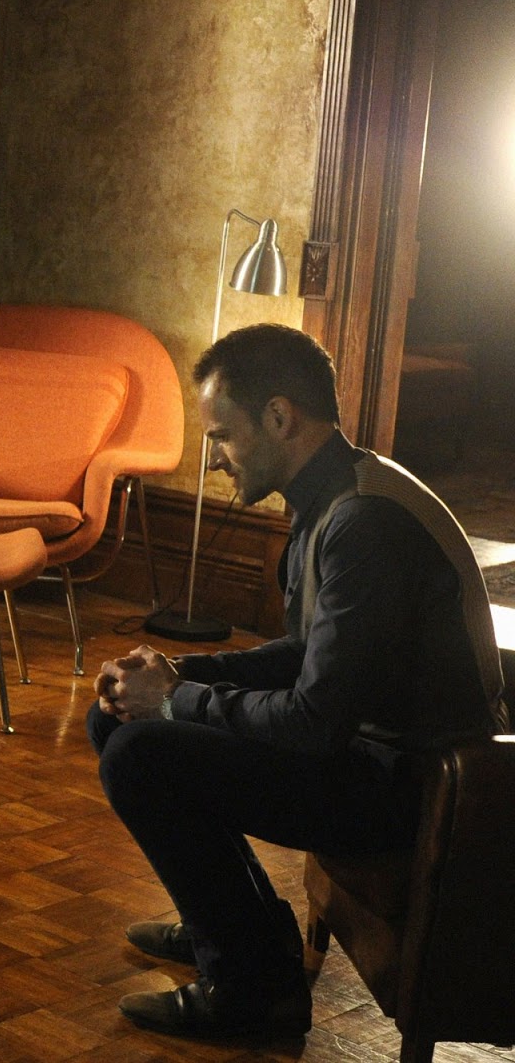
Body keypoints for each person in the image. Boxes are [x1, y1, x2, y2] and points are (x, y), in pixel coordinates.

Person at [89, 323, 503, 1040]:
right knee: (117, 717)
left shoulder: (362, 523)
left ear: (279, 417)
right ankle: (238, 927)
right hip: (367, 753)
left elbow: (314, 722)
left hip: (418, 790)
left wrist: (178, 700)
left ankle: (254, 992)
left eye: (222, 436)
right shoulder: (340, 492)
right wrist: (177, 674)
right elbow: (309, 654)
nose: (215, 458)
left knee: (138, 754)